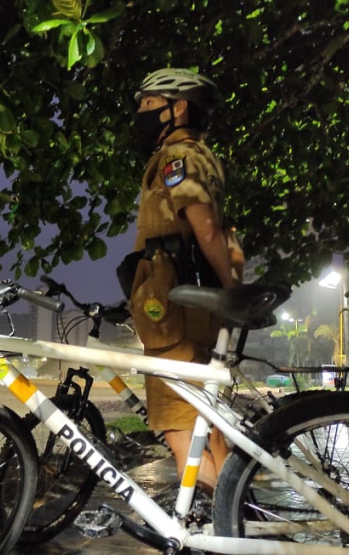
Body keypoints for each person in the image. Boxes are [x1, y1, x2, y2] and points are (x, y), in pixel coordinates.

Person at [126, 68, 243, 490]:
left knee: (179, 427)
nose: (139, 114)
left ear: (178, 108)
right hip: (196, 302)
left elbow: (206, 228)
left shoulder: (177, 159)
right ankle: (234, 512)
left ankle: (220, 528)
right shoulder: (204, 158)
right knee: (206, 425)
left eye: (148, 105)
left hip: (175, 309)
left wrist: (234, 294)